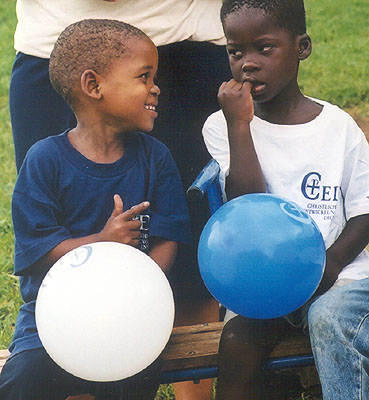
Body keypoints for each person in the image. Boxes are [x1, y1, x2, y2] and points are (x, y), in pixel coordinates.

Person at [10, 3, 231, 396]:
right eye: (144, 77)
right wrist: (101, 244)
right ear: (94, 86)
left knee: (132, 380)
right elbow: (36, 252)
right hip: (51, 323)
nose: (156, 87)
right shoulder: (44, 160)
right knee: (24, 380)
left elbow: (167, 238)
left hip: (131, 320)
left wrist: (137, 289)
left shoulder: (155, 157)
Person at [202, 0, 369, 399]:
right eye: (235, 51)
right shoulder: (221, 126)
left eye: (264, 48)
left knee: (328, 319)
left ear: (302, 47)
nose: (248, 63)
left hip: (336, 277)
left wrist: (329, 265)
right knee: (237, 345)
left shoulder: (338, 127)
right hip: (266, 286)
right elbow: (248, 208)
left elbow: (365, 210)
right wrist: (239, 125)